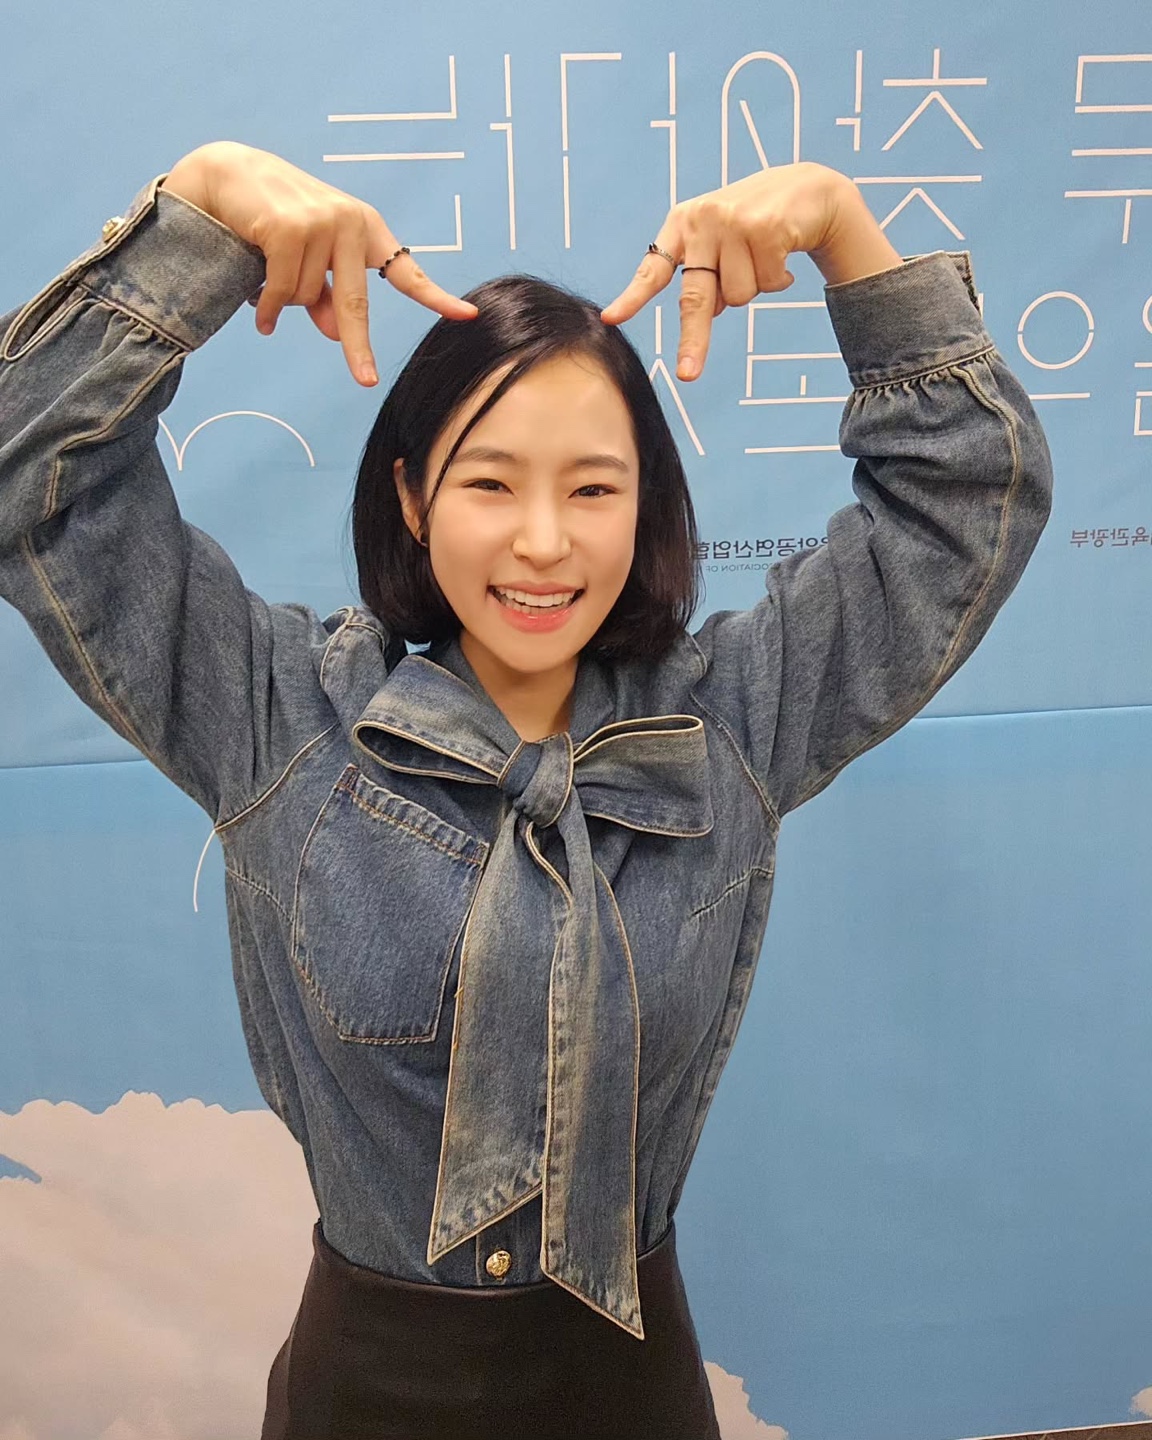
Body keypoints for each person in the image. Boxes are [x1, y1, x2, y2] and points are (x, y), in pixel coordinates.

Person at [0, 140, 1052, 1439]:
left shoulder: (730, 721)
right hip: (365, 1398)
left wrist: (844, 228)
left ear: (644, 507)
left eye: (593, 488)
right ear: (411, 496)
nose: (544, 541)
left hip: (633, 1392)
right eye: (490, 482)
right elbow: (36, 477)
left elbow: (964, 501)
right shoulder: (276, 718)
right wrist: (202, 210)